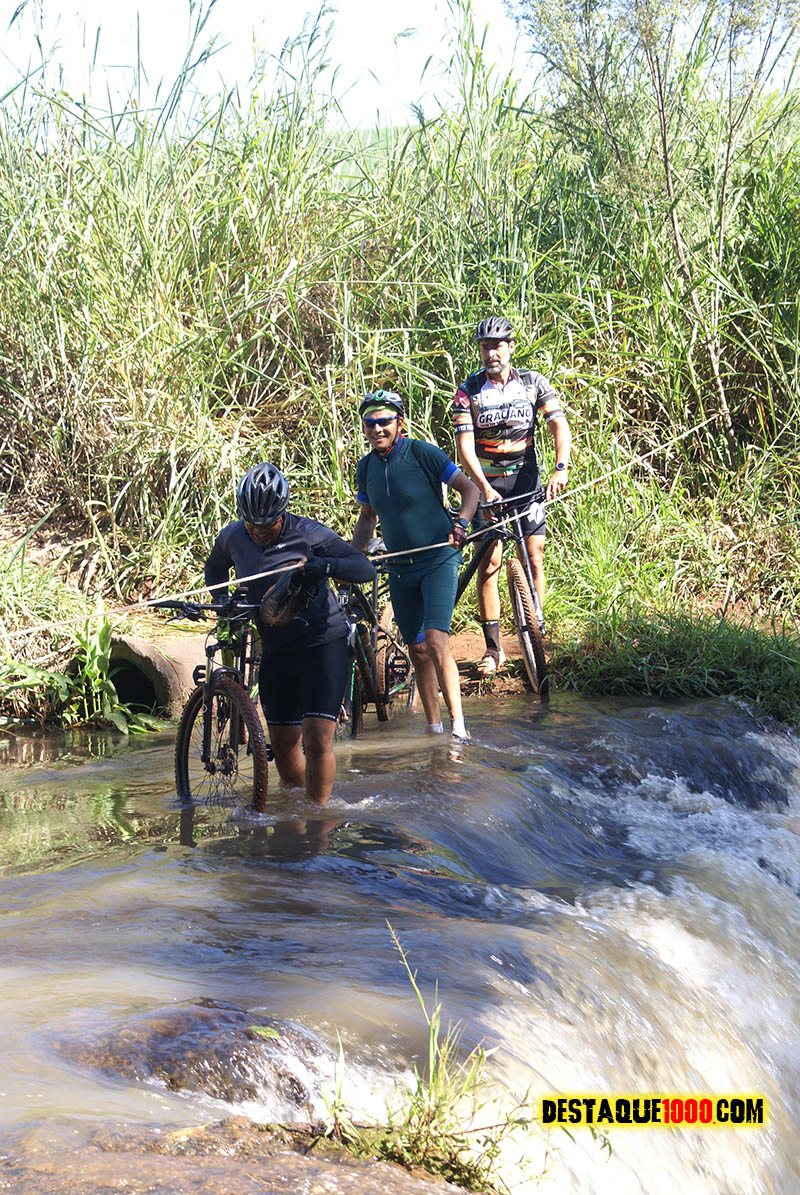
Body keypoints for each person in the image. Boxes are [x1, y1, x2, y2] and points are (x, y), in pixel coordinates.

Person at [205, 462, 377, 805]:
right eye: (252, 524)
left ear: (282, 513)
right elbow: (215, 567)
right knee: (283, 745)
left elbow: (364, 569)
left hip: (321, 644)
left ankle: (319, 818)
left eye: (267, 524)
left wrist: (326, 566)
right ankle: (301, 808)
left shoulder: (308, 534)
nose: (259, 531)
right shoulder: (232, 537)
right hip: (276, 648)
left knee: (316, 739)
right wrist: (221, 599)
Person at [351, 390, 479, 744]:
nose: (377, 429)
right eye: (370, 423)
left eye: (384, 422)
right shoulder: (366, 468)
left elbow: (469, 490)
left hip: (438, 558)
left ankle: (459, 728)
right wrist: (350, 556)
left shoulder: (422, 453)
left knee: (436, 640)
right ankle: (434, 730)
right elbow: (367, 518)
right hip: (400, 567)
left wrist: (461, 524)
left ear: (399, 423)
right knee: (418, 649)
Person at [452, 315, 572, 675]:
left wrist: (561, 468)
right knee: (488, 563)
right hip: (486, 485)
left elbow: (558, 425)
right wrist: (484, 488)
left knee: (533, 556)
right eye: (485, 347)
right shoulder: (468, 390)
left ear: (511, 348)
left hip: (526, 484)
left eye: (498, 346)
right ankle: (493, 649)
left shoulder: (533, 382)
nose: (492, 353)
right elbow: (465, 447)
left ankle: (536, 631)